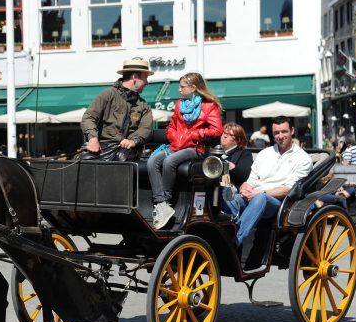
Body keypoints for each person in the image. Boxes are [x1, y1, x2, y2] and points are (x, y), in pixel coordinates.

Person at [226, 116, 313, 258]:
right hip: (254, 195)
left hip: (279, 203)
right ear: (272, 134)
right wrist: (245, 188)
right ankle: (221, 234)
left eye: (284, 132)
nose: (280, 136)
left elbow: (289, 188)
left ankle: (235, 241)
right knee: (229, 197)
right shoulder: (264, 154)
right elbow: (251, 179)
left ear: (292, 131)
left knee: (261, 198)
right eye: (276, 133)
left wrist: (260, 192)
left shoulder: (303, 158)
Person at [147, 72, 223, 229]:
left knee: (169, 161)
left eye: (182, 87)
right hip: (177, 145)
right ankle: (161, 204)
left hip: (196, 148)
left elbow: (217, 130)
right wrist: (174, 136)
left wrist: (195, 134)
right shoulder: (179, 104)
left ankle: (166, 200)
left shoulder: (209, 106)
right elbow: (171, 126)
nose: (179, 90)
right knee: (152, 161)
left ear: (193, 88)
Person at [81, 58, 154, 160]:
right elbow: (88, 117)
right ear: (135, 77)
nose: (147, 83)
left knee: (122, 158)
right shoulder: (108, 95)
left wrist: (133, 141)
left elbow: (146, 129)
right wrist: (93, 139)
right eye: (145, 78)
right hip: (103, 146)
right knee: (83, 159)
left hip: (128, 150)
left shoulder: (143, 105)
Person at [221, 122, 253, 188]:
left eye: (230, 135)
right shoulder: (214, 152)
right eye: (224, 133)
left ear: (238, 140)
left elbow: (245, 175)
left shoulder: (244, 154)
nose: (224, 136)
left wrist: (229, 166)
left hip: (230, 191)